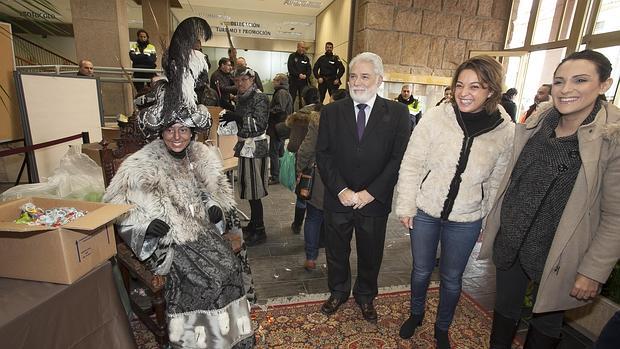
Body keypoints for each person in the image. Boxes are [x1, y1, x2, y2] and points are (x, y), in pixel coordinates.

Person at [104, 18, 254, 349]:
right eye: (170, 130)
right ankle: (196, 343)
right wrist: (150, 230)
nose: (176, 136)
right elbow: (122, 211)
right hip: (170, 244)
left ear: (191, 133)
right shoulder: (140, 165)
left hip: (200, 234)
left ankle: (231, 340)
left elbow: (217, 202)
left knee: (230, 270)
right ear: (160, 132)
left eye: (183, 130)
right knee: (207, 279)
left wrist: (214, 211)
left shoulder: (201, 156)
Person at [480, 49, 620, 349]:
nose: (566, 89)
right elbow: (512, 180)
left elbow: (615, 216)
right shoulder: (537, 124)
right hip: (512, 241)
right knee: (504, 311)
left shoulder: (612, 139)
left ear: (604, 85)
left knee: (546, 323)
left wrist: (593, 271)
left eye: (580, 80)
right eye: (559, 81)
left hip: (560, 253)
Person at [395, 55, 514, 349]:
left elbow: (498, 182)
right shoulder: (437, 117)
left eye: (475, 86)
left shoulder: (505, 131)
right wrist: (407, 204)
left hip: (466, 218)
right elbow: (412, 163)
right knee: (421, 270)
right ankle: (416, 313)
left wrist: (488, 221)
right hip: (426, 210)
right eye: (460, 85)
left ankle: (442, 328)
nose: (464, 92)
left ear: (491, 90)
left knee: (451, 279)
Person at [316, 52, 410, 323]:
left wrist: (371, 193)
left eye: (365, 76)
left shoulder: (398, 113)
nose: (357, 82)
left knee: (371, 253)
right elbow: (323, 155)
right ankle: (338, 291)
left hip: (374, 200)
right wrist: (341, 190)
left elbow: (398, 158)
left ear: (379, 80)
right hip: (338, 199)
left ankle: (366, 296)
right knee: (336, 251)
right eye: (353, 76)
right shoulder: (332, 111)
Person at [296, 88, 348, 270]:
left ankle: (311, 257)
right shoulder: (354, 122)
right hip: (342, 179)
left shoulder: (319, 120)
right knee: (335, 219)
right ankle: (335, 257)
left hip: (319, 175)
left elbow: (307, 148)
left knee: (313, 217)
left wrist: (300, 169)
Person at [220, 66, 270, 246]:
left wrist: (238, 117)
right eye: (237, 80)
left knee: (255, 191)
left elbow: (260, 124)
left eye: (244, 80)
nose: (240, 83)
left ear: (252, 79)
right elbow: (240, 123)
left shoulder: (260, 98)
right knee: (248, 188)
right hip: (244, 147)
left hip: (256, 148)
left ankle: (260, 230)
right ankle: (254, 224)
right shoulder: (241, 99)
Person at [286, 87, 321, 235]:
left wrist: (299, 166)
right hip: (321, 164)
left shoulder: (299, 116)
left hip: (305, 161)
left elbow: (294, 145)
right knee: (318, 200)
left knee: (302, 194)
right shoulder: (326, 113)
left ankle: (297, 224)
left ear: (303, 99)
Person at [267, 73, 293, 184]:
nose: (273, 81)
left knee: (274, 152)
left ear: (280, 81)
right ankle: (281, 175)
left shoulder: (281, 92)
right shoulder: (284, 92)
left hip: (278, 126)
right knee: (280, 151)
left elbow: (280, 108)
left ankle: (275, 176)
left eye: (275, 79)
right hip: (281, 125)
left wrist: (268, 111)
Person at [287, 41, 312, 110]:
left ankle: (301, 115)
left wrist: (306, 76)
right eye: (302, 47)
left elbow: (309, 69)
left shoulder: (306, 58)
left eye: (304, 47)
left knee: (303, 99)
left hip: (303, 82)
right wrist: (298, 75)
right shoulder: (292, 56)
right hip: (293, 81)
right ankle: (290, 115)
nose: (303, 49)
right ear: (298, 47)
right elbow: (290, 68)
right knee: (292, 99)